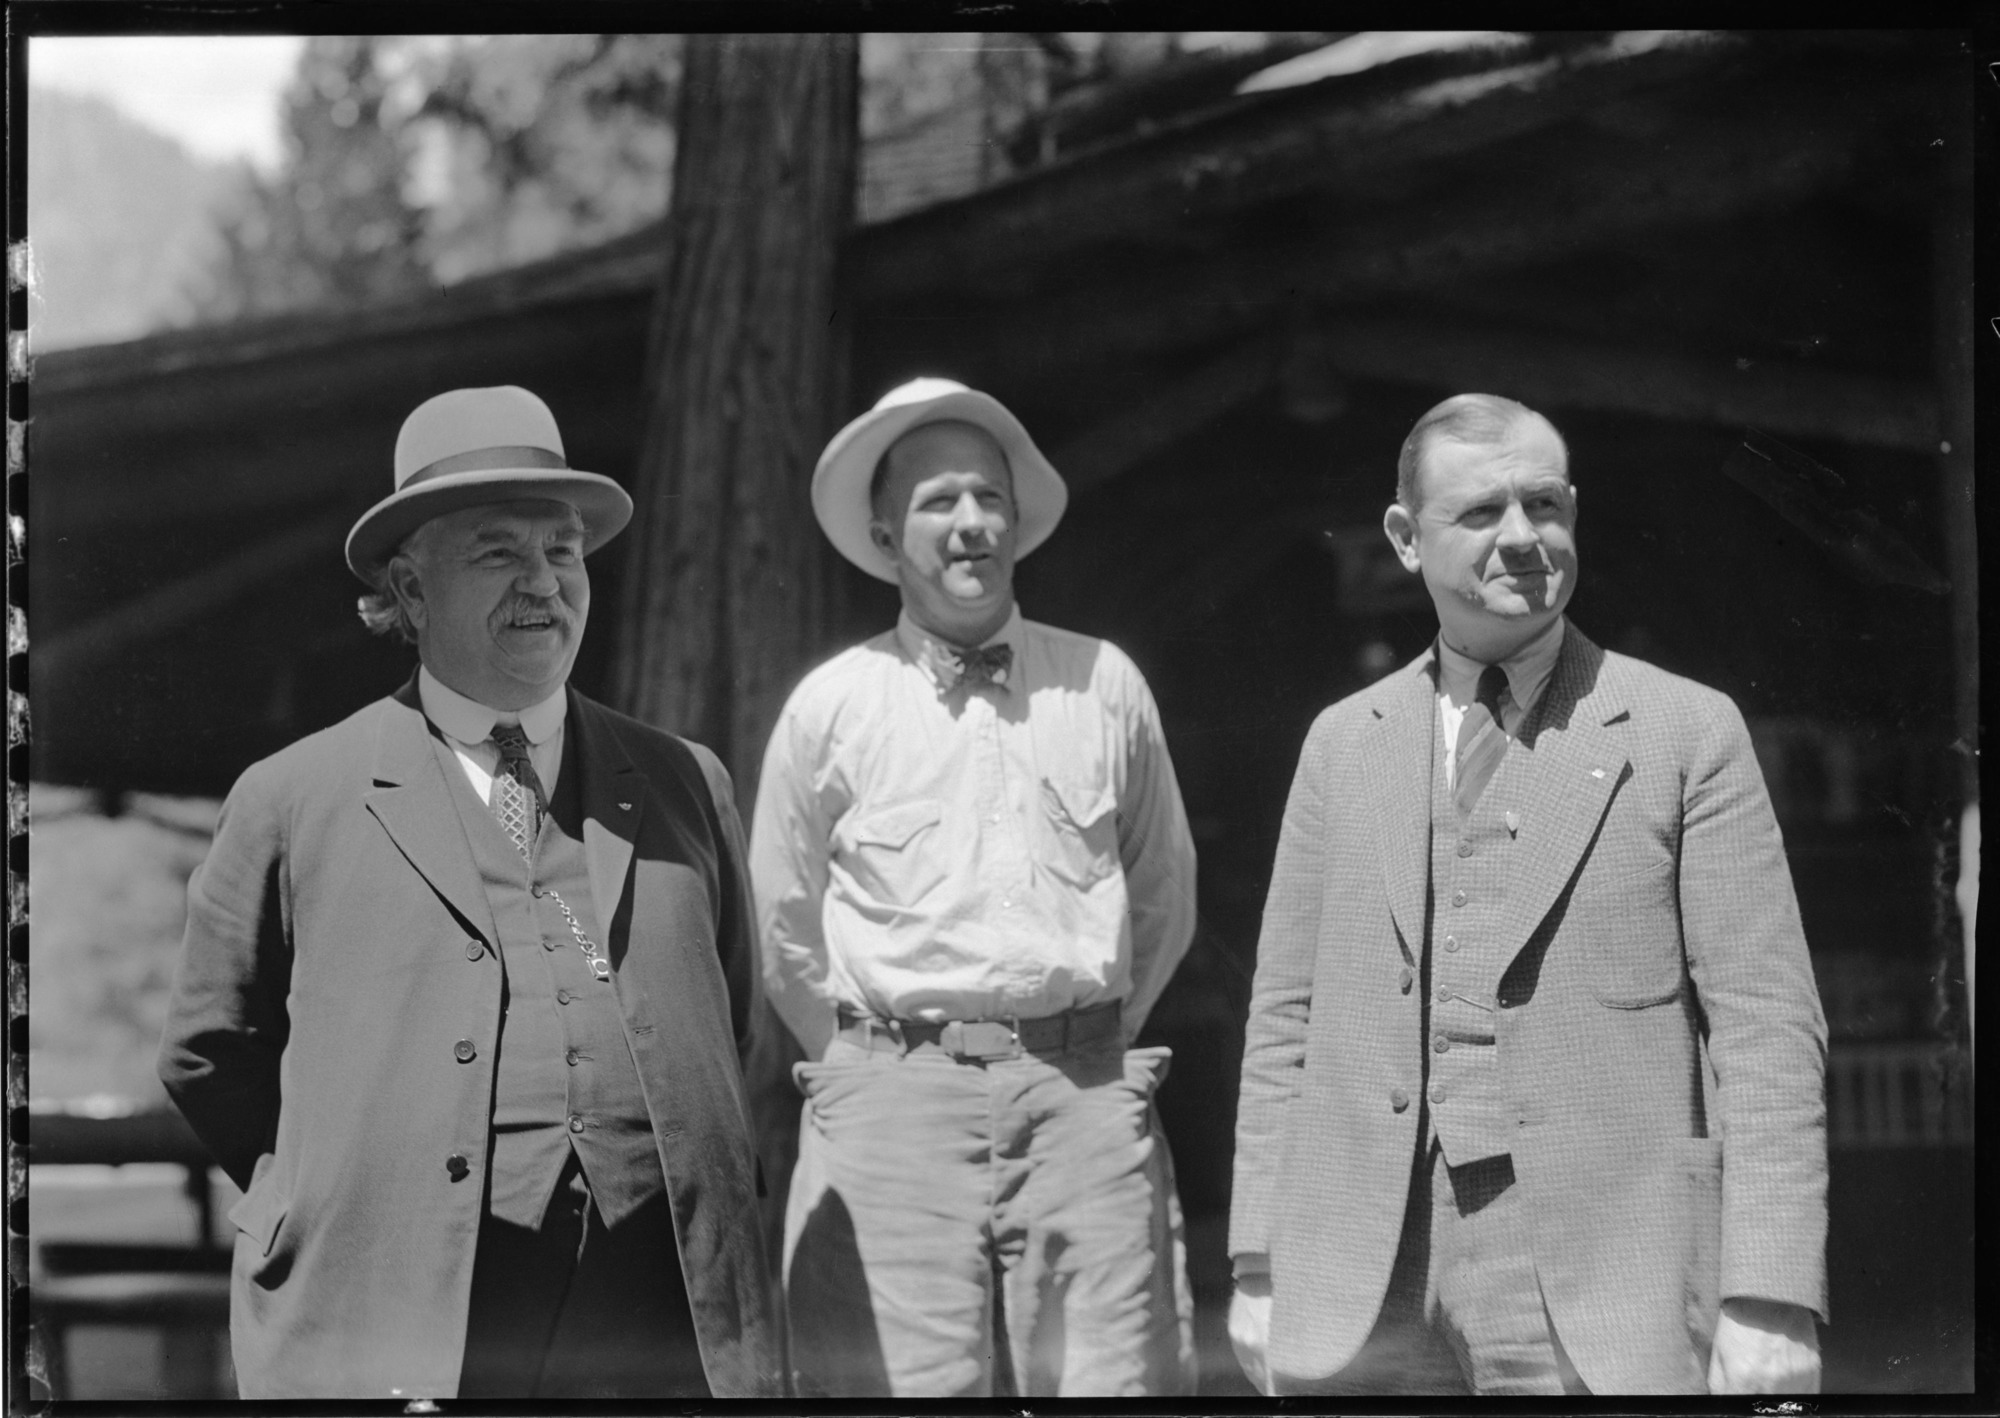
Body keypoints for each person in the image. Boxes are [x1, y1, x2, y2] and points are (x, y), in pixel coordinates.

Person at [158, 385, 780, 1400]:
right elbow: (206, 1052)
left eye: (564, 551)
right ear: (407, 588)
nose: (543, 581)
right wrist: (345, 1183)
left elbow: (734, 1021)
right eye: (499, 551)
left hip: (660, 1310)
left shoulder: (683, 780)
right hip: (412, 1314)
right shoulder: (294, 795)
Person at [1227, 393, 1827, 1396]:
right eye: (1479, 513)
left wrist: (1767, 1288)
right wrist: (1254, 1251)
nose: (1522, 538)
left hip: (1594, 1267)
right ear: (1402, 537)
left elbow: (1765, 1024)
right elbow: (1284, 1013)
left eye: (1543, 504)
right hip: (1357, 1265)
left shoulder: (1682, 730)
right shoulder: (1343, 738)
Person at [750, 377, 1198, 1397]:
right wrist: (874, 1072)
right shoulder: (832, 705)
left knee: (1112, 1382)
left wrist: (1082, 1045)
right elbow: (781, 927)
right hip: (893, 1110)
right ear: (883, 530)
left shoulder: (1102, 682)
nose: (969, 525)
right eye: (938, 501)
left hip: (1081, 1099)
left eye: (988, 498)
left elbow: (1163, 892)